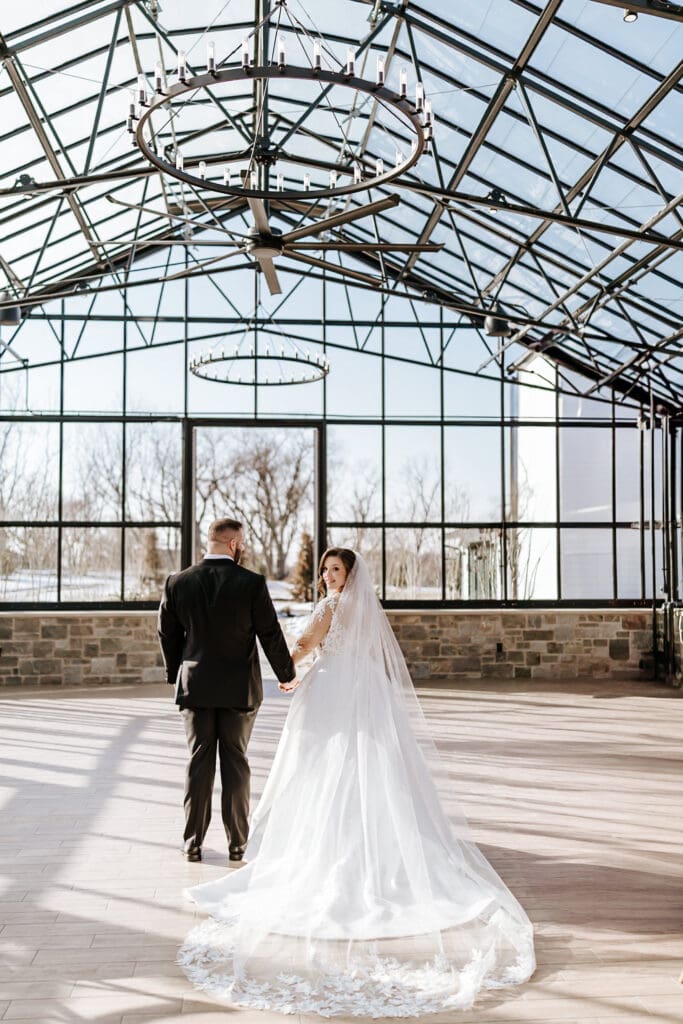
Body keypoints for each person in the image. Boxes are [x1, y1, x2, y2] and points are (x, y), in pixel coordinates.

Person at [178, 547, 535, 1017]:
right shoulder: (366, 610)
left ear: (350, 575)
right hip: (365, 688)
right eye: (326, 569)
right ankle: (373, 842)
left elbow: (304, 644)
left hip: (330, 688)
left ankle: (331, 848)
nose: (328, 576)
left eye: (335, 570)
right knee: (367, 768)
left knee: (324, 768)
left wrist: (289, 667)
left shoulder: (330, 608)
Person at [158, 517, 298, 865]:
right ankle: (238, 844)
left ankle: (192, 843)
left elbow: (167, 634)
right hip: (239, 689)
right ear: (234, 544)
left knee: (199, 762)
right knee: (236, 762)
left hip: (196, 686)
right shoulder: (250, 583)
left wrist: (177, 672)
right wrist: (286, 674)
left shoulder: (178, 582)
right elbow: (269, 633)